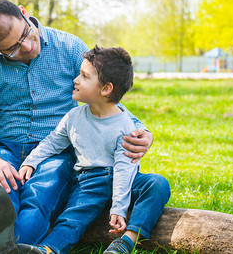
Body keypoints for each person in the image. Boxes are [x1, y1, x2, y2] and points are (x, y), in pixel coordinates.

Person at [0, 0, 167, 254]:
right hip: (5, 146)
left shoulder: (70, 47)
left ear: (24, 13)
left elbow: (105, 93)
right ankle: (2, 246)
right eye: (13, 48)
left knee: (41, 193)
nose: (28, 46)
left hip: (56, 147)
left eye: (25, 34)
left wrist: (140, 129)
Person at [17, 46, 170, 254]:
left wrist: (119, 208)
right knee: (72, 218)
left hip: (123, 178)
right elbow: (52, 142)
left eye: (84, 76)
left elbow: (124, 171)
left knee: (158, 184)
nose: (75, 80)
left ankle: (126, 241)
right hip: (89, 181)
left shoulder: (125, 125)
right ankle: (48, 249)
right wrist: (30, 161)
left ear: (105, 89)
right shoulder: (73, 117)